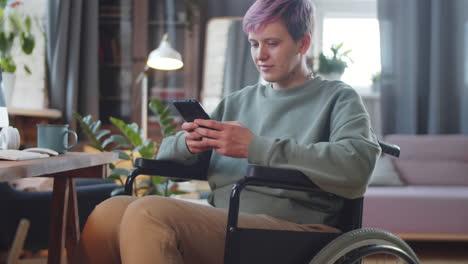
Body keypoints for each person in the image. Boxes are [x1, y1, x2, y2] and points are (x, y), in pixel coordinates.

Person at [74, 0, 381, 263]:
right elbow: (168, 159)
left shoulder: (338, 97)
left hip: (296, 228)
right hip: (227, 219)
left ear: (303, 43)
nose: (260, 55)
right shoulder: (238, 101)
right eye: (254, 44)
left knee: (149, 213)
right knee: (107, 213)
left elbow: (357, 166)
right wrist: (189, 144)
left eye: (272, 43)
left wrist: (256, 147)